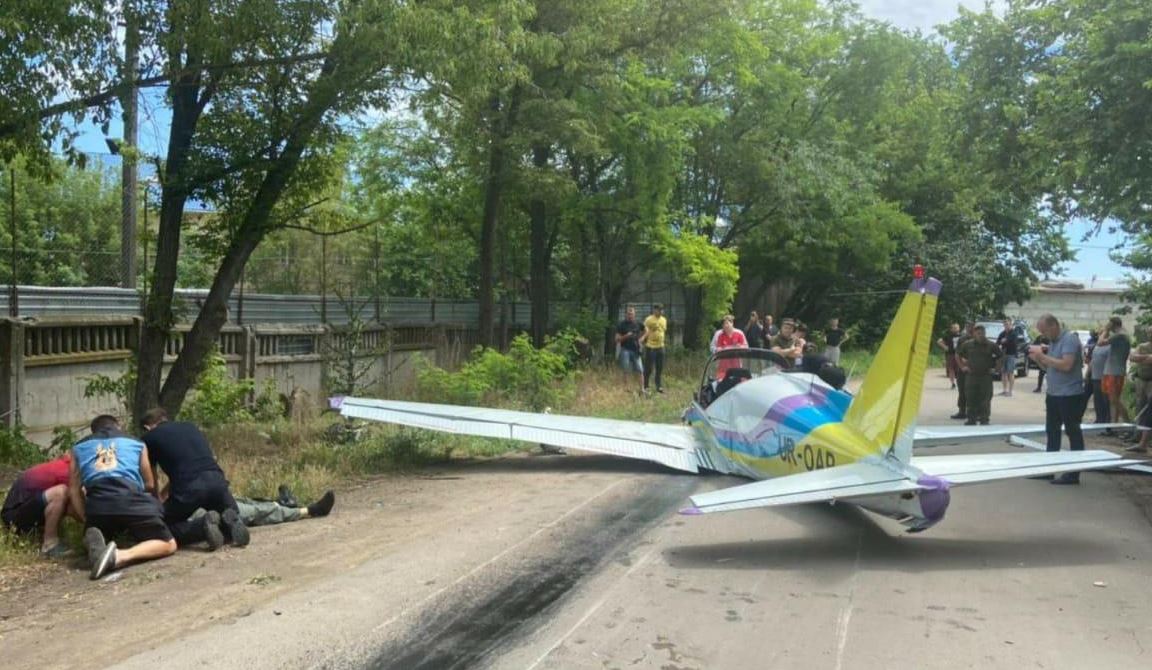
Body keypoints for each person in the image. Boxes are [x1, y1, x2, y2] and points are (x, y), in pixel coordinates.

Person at [69, 415, 177, 580]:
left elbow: (74, 490)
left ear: (93, 431)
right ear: (118, 426)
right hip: (131, 499)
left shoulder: (78, 447)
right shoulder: (137, 443)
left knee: (104, 523)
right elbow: (149, 483)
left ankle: (97, 536)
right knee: (169, 544)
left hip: (98, 506)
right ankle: (119, 556)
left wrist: (85, 517)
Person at [140, 407, 249, 549]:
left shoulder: (149, 438)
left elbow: (152, 478)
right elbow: (189, 465)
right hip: (217, 481)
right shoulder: (190, 427)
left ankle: (202, 527)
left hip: (189, 489)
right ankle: (229, 521)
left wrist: (157, 501)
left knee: (161, 527)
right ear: (165, 418)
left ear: (147, 427)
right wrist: (164, 493)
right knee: (228, 513)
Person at [1028, 314, 1086, 484]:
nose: (1044, 336)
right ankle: (1049, 469)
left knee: (1072, 432)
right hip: (1054, 394)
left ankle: (1073, 474)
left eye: (1044, 331)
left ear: (1053, 326)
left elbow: (1066, 365)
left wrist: (1043, 356)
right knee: (1052, 432)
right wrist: (1038, 359)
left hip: (1070, 395)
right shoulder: (1053, 342)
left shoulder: (1069, 340)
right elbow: (1050, 368)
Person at [1, 453, 75, 557]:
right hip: (13, 516)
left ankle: (43, 535)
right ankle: (49, 545)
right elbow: (77, 503)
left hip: (23, 508)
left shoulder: (64, 464)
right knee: (61, 492)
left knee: (68, 498)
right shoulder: (66, 471)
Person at [189, 488, 335, 527]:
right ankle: (310, 510)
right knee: (256, 511)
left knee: (243, 499)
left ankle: (282, 503)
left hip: (199, 503)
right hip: (198, 513)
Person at [956, 325, 1001, 425]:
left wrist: (996, 369)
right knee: (971, 397)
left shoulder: (991, 345)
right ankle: (971, 418)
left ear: (985, 334)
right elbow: (958, 354)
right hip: (971, 376)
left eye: (982, 333)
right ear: (974, 334)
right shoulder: (967, 345)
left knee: (985, 399)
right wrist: (963, 367)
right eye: (978, 333)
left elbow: (1000, 356)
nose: (980, 335)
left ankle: (984, 418)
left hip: (986, 376)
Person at [1097, 316, 1132, 425]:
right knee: (1113, 401)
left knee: (1114, 400)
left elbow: (1100, 343)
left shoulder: (1120, 335)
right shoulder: (1122, 335)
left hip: (1115, 371)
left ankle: (1128, 423)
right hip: (1112, 370)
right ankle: (1114, 424)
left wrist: (1106, 330)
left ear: (1112, 324)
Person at [1126, 332, 1152, 453]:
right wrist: (1146, 357)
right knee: (1144, 410)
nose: (1150, 334)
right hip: (1142, 379)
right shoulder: (1142, 346)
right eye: (1149, 332)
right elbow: (1132, 357)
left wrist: (1143, 358)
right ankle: (1141, 441)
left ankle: (1143, 442)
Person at [639, 303, 667, 395]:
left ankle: (658, 386)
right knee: (648, 368)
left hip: (661, 346)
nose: (660, 311)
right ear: (654, 310)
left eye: (661, 310)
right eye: (658, 309)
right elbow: (644, 331)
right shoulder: (648, 319)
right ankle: (646, 386)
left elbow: (663, 330)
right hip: (651, 346)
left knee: (659, 368)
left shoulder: (664, 320)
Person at [614, 305, 644, 394]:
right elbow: (616, 339)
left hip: (636, 350)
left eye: (632, 313)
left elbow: (646, 330)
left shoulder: (638, 323)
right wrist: (626, 336)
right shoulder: (621, 325)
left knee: (640, 370)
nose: (630, 315)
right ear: (626, 314)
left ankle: (642, 389)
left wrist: (641, 339)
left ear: (634, 314)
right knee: (626, 369)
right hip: (625, 350)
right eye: (628, 313)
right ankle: (626, 389)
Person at [1086, 327, 1111, 424]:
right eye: (1099, 334)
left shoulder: (1109, 347)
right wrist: (1088, 373)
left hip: (1104, 377)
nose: (1099, 335)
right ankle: (1099, 419)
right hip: (1094, 377)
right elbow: (1092, 360)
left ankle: (1105, 420)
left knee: (1105, 401)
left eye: (1101, 333)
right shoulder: (1097, 346)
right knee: (1097, 401)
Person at [951, 323, 974, 420]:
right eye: (968, 327)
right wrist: (961, 366)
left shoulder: (980, 340)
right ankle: (962, 411)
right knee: (962, 390)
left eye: (972, 327)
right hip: (963, 370)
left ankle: (972, 412)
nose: (970, 329)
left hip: (975, 370)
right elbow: (957, 355)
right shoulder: (962, 339)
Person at [996, 318, 1018, 397]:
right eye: (1005, 325)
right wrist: (1002, 341)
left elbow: (1009, 341)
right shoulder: (1002, 333)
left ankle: (1010, 391)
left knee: (1010, 373)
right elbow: (998, 342)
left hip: (1011, 355)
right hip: (1003, 354)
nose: (1006, 326)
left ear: (1011, 325)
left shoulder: (1014, 333)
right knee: (1003, 373)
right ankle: (1004, 390)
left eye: (1008, 324)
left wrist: (1005, 340)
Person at [937, 323, 961, 390]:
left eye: (956, 327)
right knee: (951, 369)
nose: (955, 329)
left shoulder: (962, 336)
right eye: (954, 328)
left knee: (960, 369)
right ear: (951, 329)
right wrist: (945, 347)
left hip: (960, 354)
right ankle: (953, 383)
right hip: (950, 354)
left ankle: (960, 383)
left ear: (959, 328)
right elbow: (939, 341)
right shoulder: (948, 336)